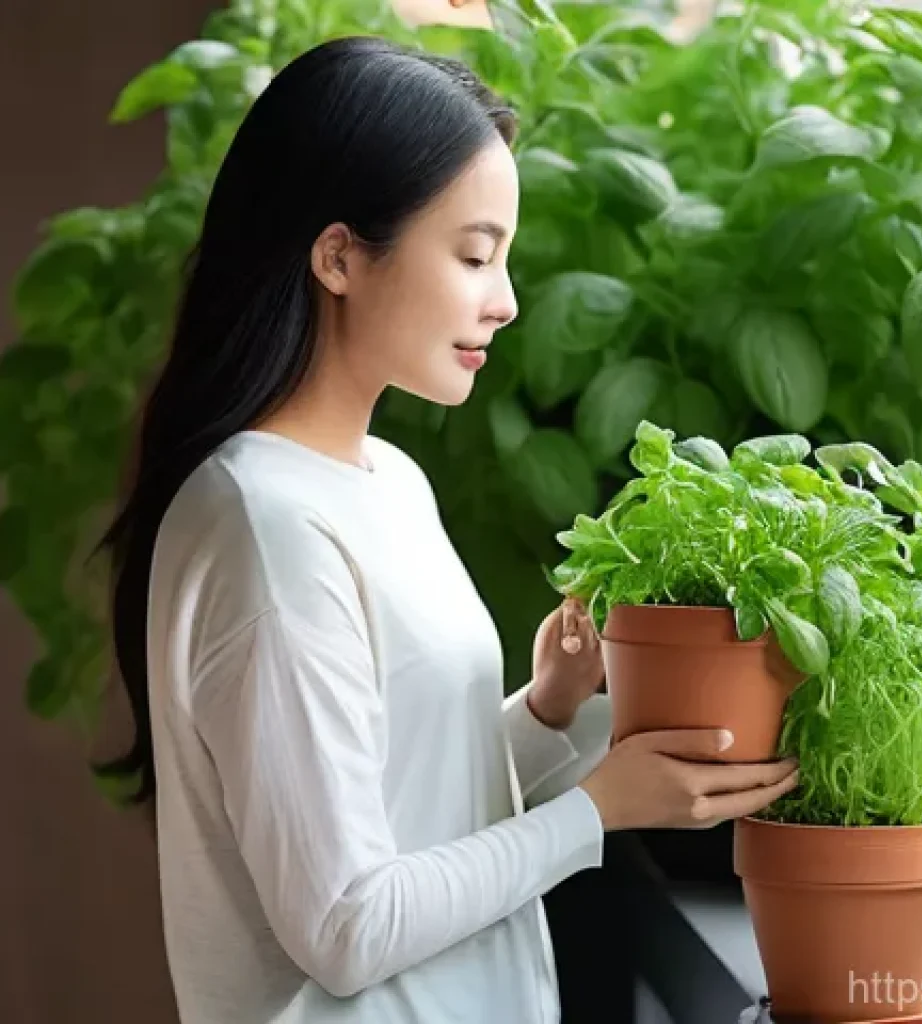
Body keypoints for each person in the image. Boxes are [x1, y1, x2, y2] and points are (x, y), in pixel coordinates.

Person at [96, 36, 800, 1024]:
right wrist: (597, 809)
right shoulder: (267, 525)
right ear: (339, 255)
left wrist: (548, 713)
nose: (504, 301)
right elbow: (345, 923)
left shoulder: (387, 480)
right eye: (474, 254)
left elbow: (409, 803)